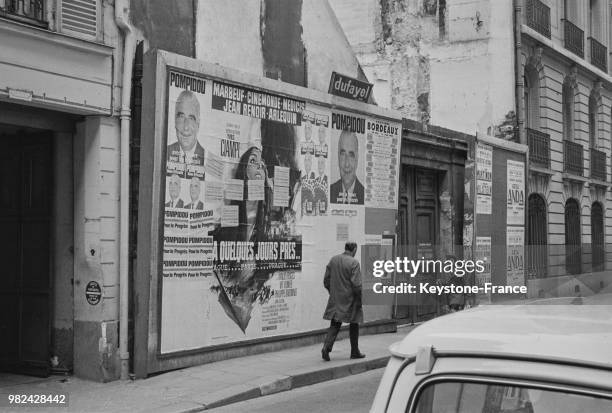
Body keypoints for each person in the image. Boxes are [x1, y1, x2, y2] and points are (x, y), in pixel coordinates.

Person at [321, 241, 365, 361]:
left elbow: (326, 280)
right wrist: (359, 299)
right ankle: (354, 351)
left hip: (336, 299)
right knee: (354, 323)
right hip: (350, 299)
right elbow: (357, 285)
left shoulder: (333, 260)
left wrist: (333, 292)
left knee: (335, 324)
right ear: (354, 250)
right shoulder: (354, 263)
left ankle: (326, 348)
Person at [167, 90, 205, 171]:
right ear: (175, 121)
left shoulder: (207, 159)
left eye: (191, 118)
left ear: (198, 124)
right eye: (181, 117)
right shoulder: (165, 153)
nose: (186, 127)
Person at [330, 130, 364, 204]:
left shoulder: (365, 195)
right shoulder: (329, 192)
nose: (347, 164)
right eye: (343, 154)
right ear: (338, 156)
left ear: (357, 158)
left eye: (351, 155)